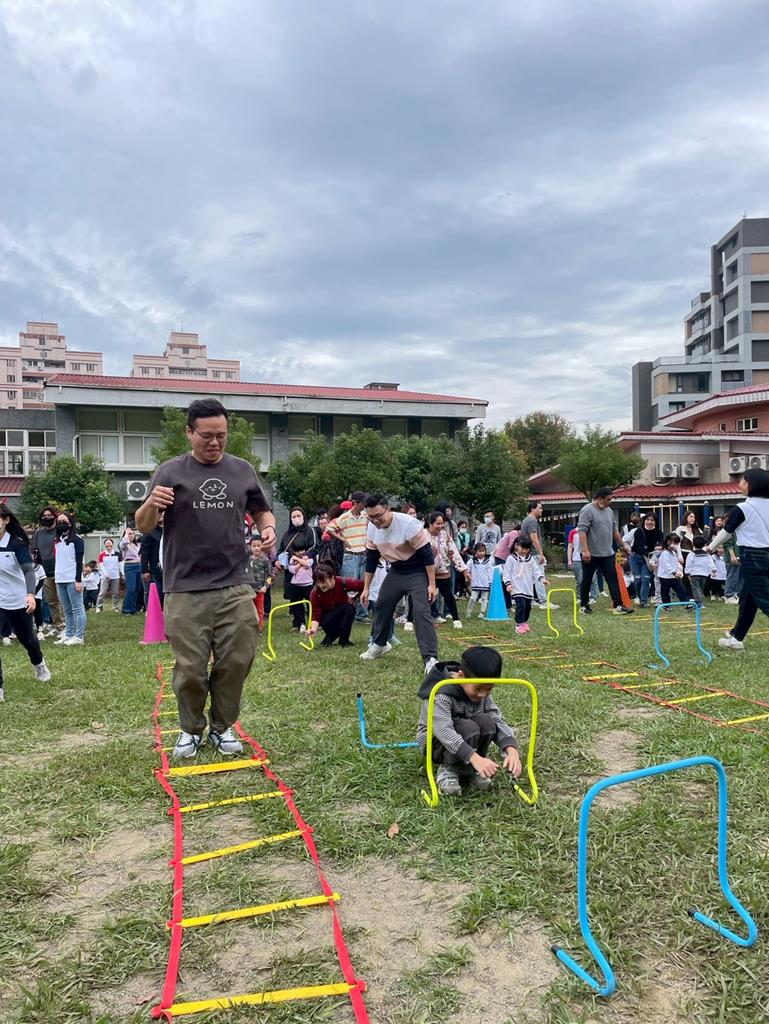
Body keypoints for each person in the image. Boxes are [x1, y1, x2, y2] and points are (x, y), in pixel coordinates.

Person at [136, 397, 276, 759]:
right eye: (206, 436)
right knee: (191, 669)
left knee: (238, 660)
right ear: (189, 432)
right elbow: (144, 525)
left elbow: (262, 510)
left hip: (234, 584)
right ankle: (191, 729)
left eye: (221, 436)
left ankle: (222, 726)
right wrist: (151, 503)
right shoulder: (170, 472)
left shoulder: (242, 470)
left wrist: (269, 528)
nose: (215, 442)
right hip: (185, 588)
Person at [416, 645, 522, 796]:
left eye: (489, 689)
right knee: (468, 727)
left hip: (466, 738)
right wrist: (473, 757)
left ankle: (472, 768)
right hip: (435, 744)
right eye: (478, 689)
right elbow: (443, 731)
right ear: (461, 676)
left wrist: (511, 749)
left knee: (487, 721)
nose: (483, 694)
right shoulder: (441, 695)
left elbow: (496, 719)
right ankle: (449, 769)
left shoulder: (482, 693)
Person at [359, 493, 437, 670]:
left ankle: (430, 659)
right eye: (370, 517)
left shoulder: (408, 524)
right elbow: (371, 559)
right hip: (396, 570)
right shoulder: (372, 528)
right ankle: (380, 644)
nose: (375, 520)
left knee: (420, 611)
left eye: (378, 515)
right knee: (382, 605)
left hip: (417, 570)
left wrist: (432, 585)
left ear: (388, 509)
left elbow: (427, 555)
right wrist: (366, 588)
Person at [707, 468, 769, 651]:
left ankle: (736, 638)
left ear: (750, 483)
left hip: (753, 557)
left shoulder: (742, 508)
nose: (739, 484)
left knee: (765, 600)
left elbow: (727, 532)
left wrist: (710, 547)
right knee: (748, 599)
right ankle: (736, 638)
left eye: (741, 481)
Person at [0, 503, 51, 700]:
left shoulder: (17, 544)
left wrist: (30, 595)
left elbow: (29, 571)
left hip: (17, 600)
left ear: (6, 520)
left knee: (27, 639)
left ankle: (40, 665)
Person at [577, 487, 633, 615]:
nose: (610, 502)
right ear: (600, 499)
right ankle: (584, 605)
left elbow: (615, 531)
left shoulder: (609, 511)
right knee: (587, 579)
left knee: (613, 578)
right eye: (608, 499)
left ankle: (618, 605)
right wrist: (585, 550)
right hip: (591, 553)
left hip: (607, 553)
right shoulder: (587, 510)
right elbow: (582, 531)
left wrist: (623, 545)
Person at [324, 492, 369, 621]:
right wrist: (342, 538)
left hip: (363, 553)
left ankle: (362, 614)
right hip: (350, 555)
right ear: (355, 503)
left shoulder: (365, 516)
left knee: (364, 584)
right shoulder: (344, 518)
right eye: (362, 503)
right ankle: (349, 612)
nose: (364, 506)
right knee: (350, 586)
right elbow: (329, 529)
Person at [425, 512, 471, 630]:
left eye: (442, 524)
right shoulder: (423, 535)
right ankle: (411, 620)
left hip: (443, 571)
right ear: (430, 523)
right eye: (437, 523)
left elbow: (454, 553)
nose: (440, 526)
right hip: (425, 572)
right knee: (422, 596)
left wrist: (464, 570)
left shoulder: (445, 535)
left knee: (448, 596)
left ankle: (456, 619)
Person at [307, 561, 364, 647]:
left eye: (323, 582)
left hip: (343, 614)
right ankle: (332, 635)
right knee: (345, 608)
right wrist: (313, 630)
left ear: (332, 577)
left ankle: (343, 640)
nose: (321, 585)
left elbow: (363, 586)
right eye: (318, 583)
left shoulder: (342, 582)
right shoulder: (315, 593)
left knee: (348, 608)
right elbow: (316, 615)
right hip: (327, 619)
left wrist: (355, 598)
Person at [503, 536, 548, 635]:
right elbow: (506, 572)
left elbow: (536, 570)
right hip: (517, 587)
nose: (524, 551)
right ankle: (518, 625)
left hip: (528, 587)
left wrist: (541, 578)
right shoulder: (511, 558)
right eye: (522, 548)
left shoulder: (530, 559)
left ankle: (524, 622)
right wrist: (508, 584)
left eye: (527, 549)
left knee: (528, 607)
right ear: (516, 546)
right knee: (521, 606)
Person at [53, 511, 86, 645]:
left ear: (70, 523)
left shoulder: (77, 540)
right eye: (59, 521)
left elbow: (79, 562)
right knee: (67, 610)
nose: (61, 524)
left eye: (64, 521)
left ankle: (79, 636)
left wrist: (78, 580)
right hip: (60, 579)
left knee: (77, 608)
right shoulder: (57, 541)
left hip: (72, 579)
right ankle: (69, 634)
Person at [30, 506, 64, 631]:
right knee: (52, 601)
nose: (46, 518)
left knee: (63, 601)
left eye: (49, 515)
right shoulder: (39, 533)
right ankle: (58, 625)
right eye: (44, 516)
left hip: (60, 571)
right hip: (45, 572)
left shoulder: (60, 531)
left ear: (54, 516)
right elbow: (34, 551)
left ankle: (68, 626)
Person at [276, 508, 318, 602]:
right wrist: (277, 560)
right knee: (295, 601)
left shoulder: (310, 531)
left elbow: (315, 546)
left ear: (303, 516)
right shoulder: (287, 534)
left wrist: (304, 557)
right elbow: (281, 550)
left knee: (311, 599)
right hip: (292, 572)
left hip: (308, 571)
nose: (296, 518)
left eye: (299, 516)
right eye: (293, 516)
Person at [518, 502, 550, 609]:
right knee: (539, 576)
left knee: (529, 578)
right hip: (534, 553)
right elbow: (534, 538)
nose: (542, 510)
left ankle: (530, 600)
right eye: (540, 508)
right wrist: (541, 553)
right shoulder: (532, 521)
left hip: (527, 553)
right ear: (533, 509)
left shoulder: (525, 520)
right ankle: (543, 601)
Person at [628, 513, 664, 608]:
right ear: (644, 521)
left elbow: (660, 545)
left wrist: (655, 553)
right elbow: (640, 546)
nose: (649, 522)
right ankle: (640, 598)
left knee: (646, 579)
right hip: (636, 557)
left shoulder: (659, 532)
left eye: (652, 520)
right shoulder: (638, 531)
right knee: (638, 580)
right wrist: (648, 555)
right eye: (647, 520)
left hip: (648, 559)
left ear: (655, 522)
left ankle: (644, 601)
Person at [567, 525, 598, 607]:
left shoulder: (591, 531)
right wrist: (569, 559)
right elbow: (570, 546)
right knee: (579, 580)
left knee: (593, 578)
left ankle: (593, 597)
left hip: (591, 557)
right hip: (577, 558)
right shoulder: (573, 532)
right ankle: (579, 597)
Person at [657, 534, 690, 607]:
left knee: (681, 590)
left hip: (674, 576)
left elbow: (676, 562)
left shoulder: (674, 552)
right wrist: (673, 572)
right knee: (665, 592)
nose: (675, 545)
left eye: (676, 543)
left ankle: (686, 603)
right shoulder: (664, 553)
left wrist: (678, 570)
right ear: (668, 542)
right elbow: (666, 565)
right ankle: (666, 606)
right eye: (673, 543)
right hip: (665, 576)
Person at [286, 542, 314, 631]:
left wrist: (298, 560)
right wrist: (300, 562)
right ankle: (300, 624)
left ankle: (313, 623)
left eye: (302, 550)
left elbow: (308, 564)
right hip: (296, 585)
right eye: (298, 551)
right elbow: (293, 570)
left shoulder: (309, 558)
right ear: (294, 552)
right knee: (297, 605)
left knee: (311, 604)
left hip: (308, 585)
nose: (301, 552)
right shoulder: (292, 560)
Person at [140, 514, 164, 606]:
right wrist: (145, 570)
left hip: (170, 568)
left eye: (162, 512)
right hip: (156, 569)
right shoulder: (150, 532)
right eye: (158, 513)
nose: (160, 515)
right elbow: (144, 552)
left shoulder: (171, 530)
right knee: (157, 595)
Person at [248, 535, 272, 630]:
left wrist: (265, 586)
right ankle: (250, 628)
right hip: (249, 590)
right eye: (254, 546)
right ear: (250, 547)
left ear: (262, 546)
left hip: (259, 590)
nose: (256, 548)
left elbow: (269, 576)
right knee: (249, 610)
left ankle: (259, 628)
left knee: (259, 610)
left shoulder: (265, 560)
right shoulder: (247, 560)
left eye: (258, 545)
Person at [684, 537, 715, 609]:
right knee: (700, 588)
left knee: (696, 589)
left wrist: (688, 573)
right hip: (704, 574)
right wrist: (713, 570)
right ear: (704, 545)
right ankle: (698, 602)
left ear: (693, 544)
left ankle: (698, 603)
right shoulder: (707, 554)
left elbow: (688, 564)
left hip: (694, 574)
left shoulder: (692, 554)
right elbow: (711, 563)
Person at [466, 543, 493, 618]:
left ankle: (482, 612)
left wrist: (490, 582)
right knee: (473, 598)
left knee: (484, 598)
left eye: (483, 551)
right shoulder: (472, 561)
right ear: (475, 552)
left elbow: (490, 573)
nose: (481, 553)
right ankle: (468, 612)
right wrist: (467, 574)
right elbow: (466, 568)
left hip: (485, 583)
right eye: (479, 551)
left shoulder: (488, 562)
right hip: (476, 583)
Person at [120, 527, 144, 615]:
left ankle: (133, 608)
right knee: (131, 589)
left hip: (139, 565)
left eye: (133, 533)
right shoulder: (124, 545)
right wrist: (126, 533)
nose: (131, 535)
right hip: (130, 566)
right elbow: (123, 542)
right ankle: (126, 609)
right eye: (129, 534)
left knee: (137, 589)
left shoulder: (137, 545)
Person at [96, 539, 121, 612]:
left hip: (115, 575)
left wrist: (122, 574)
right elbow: (101, 565)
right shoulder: (102, 554)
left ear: (112, 544)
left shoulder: (117, 554)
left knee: (115, 592)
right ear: (104, 545)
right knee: (102, 592)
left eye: (110, 543)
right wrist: (106, 574)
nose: (108, 545)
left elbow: (120, 564)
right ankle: (99, 606)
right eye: (106, 543)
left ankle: (115, 607)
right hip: (105, 576)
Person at [723, 524, 741, 605]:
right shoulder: (731, 527)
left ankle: (737, 595)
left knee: (739, 577)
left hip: (741, 555)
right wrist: (732, 555)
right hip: (732, 556)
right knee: (732, 576)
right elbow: (728, 543)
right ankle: (729, 595)